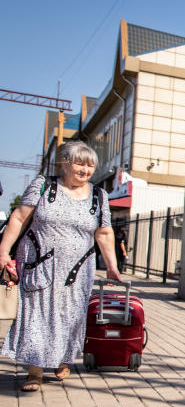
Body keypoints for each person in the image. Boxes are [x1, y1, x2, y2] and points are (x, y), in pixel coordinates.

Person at [0, 141, 123, 392]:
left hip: (77, 270)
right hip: (39, 264)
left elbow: (104, 232)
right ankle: (34, 371)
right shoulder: (44, 186)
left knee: (70, 317)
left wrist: (111, 265)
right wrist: (3, 251)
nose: (84, 170)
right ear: (64, 162)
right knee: (36, 315)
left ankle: (63, 358)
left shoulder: (99, 196)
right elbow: (19, 218)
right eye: (79, 163)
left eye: (90, 166)